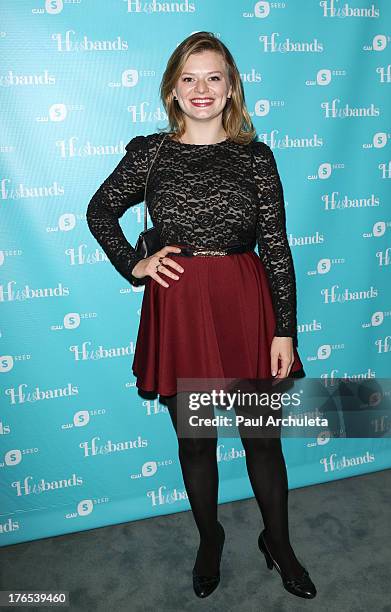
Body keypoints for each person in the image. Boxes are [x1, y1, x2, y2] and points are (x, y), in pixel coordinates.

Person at [86, 31, 316, 600]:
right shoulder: (151, 152)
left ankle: (278, 542)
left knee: (263, 438)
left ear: (231, 85)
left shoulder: (255, 156)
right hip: (181, 308)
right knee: (196, 441)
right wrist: (135, 264)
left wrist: (285, 328)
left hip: (246, 303)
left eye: (213, 76)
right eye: (188, 78)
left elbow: (277, 247)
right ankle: (209, 539)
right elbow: (99, 212)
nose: (201, 88)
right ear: (172, 90)